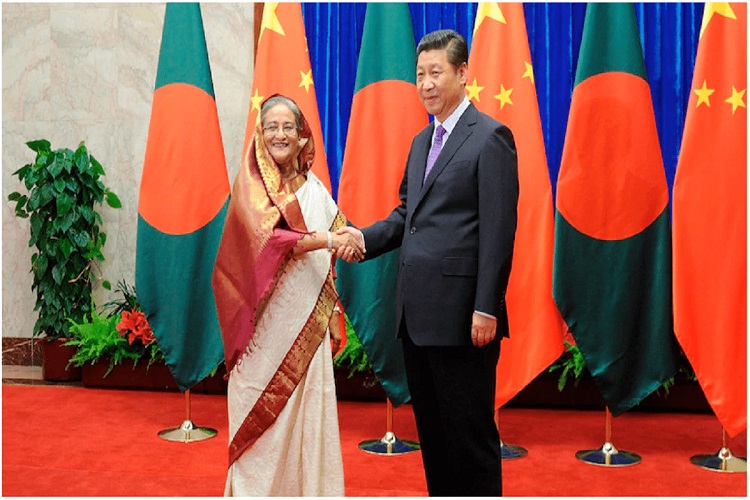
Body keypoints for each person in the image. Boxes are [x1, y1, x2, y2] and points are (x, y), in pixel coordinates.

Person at [337, 30, 518, 496]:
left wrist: (487, 307)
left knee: (470, 437)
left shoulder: (491, 137)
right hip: (416, 317)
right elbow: (407, 217)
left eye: (435, 72)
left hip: (463, 319)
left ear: (462, 73)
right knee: (434, 438)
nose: (426, 83)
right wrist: (362, 237)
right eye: (420, 74)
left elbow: (498, 232)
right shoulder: (422, 141)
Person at [212, 94, 363, 496]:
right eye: (271, 127)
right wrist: (332, 238)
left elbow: (329, 258)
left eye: (288, 127)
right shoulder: (251, 188)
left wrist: (332, 309)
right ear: (260, 136)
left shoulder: (314, 189)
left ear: (301, 137)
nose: (280, 135)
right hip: (263, 334)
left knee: (308, 412)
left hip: (307, 330)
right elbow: (278, 240)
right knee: (258, 419)